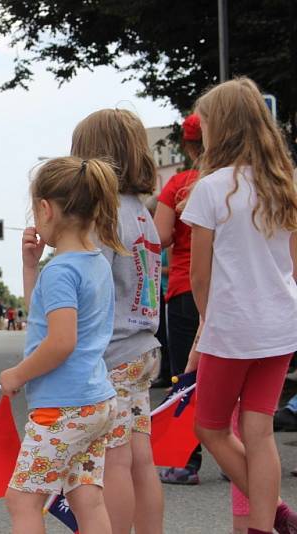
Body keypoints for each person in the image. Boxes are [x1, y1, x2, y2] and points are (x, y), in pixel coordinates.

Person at [181, 77, 297, 534]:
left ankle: (278, 513)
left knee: (209, 428)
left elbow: (199, 274)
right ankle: (264, 525)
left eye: (204, 123)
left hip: (230, 329)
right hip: (282, 324)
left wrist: (209, 321)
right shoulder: (285, 185)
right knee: (259, 430)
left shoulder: (211, 188)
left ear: (222, 128)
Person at [0, 157, 122, 533]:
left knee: (23, 499)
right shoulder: (94, 261)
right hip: (95, 400)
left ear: (46, 209)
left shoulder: (62, 271)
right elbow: (43, 318)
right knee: (86, 495)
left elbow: (60, 342)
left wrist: (17, 374)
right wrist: (30, 268)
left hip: (61, 407)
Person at [71, 108, 164, 534]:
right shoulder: (142, 212)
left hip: (113, 353)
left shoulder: (103, 215)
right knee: (141, 457)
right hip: (143, 345)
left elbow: (89, 290)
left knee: (116, 460)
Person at [153, 113, 205, 483]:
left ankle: (187, 460)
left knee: (185, 375)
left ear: (187, 147)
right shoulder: (248, 181)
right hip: (234, 291)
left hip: (187, 287)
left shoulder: (181, 184)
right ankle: (246, 458)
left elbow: (160, 237)